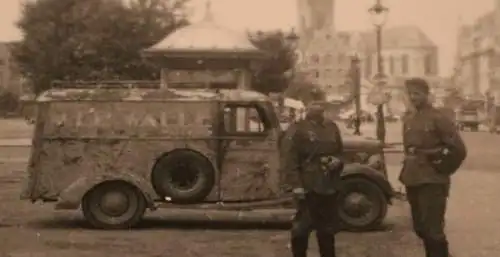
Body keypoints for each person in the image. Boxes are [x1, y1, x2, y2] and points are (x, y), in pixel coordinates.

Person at [400, 78, 467, 257]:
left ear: (427, 94)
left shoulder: (439, 118)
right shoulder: (409, 118)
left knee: (433, 230)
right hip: (413, 178)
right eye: (411, 94)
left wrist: (441, 169)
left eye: (417, 93)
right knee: (420, 228)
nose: (413, 97)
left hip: (432, 180)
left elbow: (458, 150)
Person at [281, 101, 344, 257]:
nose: (317, 108)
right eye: (313, 104)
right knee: (302, 228)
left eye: (320, 105)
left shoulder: (331, 127)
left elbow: (340, 151)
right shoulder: (297, 129)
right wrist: (296, 185)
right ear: (307, 108)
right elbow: (290, 158)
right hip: (307, 185)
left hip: (328, 184)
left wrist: (337, 161)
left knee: (327, 230)